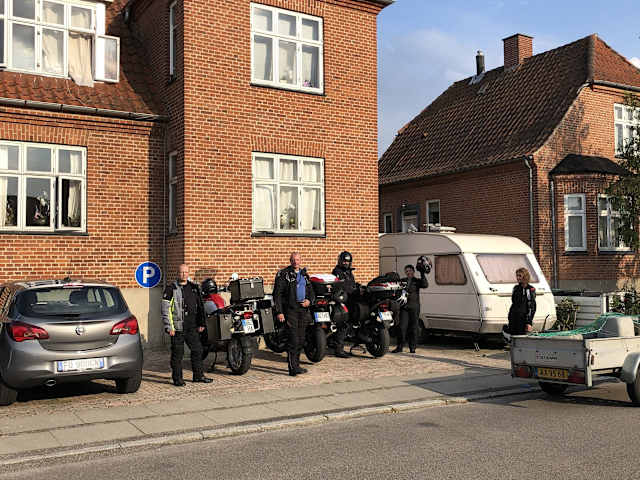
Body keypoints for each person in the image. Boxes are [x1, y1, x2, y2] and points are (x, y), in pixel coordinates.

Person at [162, 264, 212, 386]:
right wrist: (169, 327)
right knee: (177, 355)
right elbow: (165, 309)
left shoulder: (194, 287)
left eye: (186, 272)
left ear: (188, 273)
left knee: (198, 350)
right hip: (177, 328)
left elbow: (200, 306)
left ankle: (198, 376)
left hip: (192, 327)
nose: (184, 274)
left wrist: (201, 323)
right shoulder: (171, 289)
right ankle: (177, 379)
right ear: (177, 273)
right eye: (181, 272)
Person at [273, 252, 316, 376]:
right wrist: (279, 312)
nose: (296, 262)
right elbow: (277, 294)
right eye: (293, 260)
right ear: (290, 261)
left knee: (301, 340)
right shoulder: (284, 274)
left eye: (297, 260)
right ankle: (292, 368)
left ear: (300, 260)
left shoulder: (304, 275)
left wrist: (309, 301)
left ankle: (296, 365)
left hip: (303, 311)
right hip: (290, 310)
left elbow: (311, 292)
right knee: (293, 339)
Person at [394, 258, 429, 354]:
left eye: (410, 271)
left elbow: (425, 285)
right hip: (404, 307)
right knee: (402, 327)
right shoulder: (402, 281)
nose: (408, 272)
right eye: (406, 271)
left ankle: (412, 347)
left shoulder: (417, 281)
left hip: (414, 307)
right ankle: (399, 347)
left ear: (413, 271)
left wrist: (422, 273)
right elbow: (396, 288)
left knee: (413, 328)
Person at [331, 251, 357, 358]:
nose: (346, 263)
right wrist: (352, 290)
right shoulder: (337, 272)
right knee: (343, 323)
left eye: (348, 261)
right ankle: (339, 350)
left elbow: (352, 284)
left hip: (350, 300)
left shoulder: (349, 272)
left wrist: (358, 288)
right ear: (340, 261)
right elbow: (342, 286)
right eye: (344, 261)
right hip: (341, 301)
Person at [507, 267, 536, 336]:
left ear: (525, 276)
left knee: (521, 338)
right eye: (517, 275)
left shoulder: (530, 289)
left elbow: (531, 307)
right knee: (513, 338)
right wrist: (510, 317)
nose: (518, 278)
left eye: (520, 276)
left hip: (523, 320)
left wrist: (529, 322)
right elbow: (514, 303)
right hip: (513, 318)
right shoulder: (516, 288)